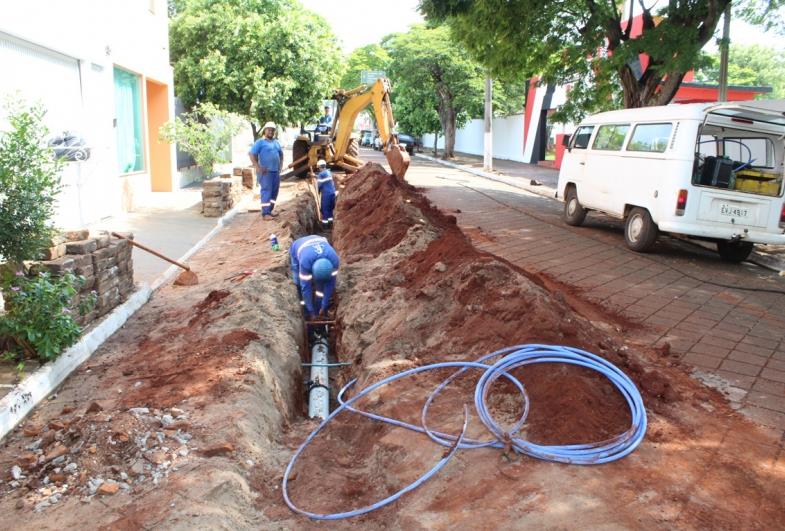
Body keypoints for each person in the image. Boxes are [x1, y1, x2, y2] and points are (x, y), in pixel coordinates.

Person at [289, 235, 340, 320]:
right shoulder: (305, 263)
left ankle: (318, 306)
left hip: (318, 240)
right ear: (311, 271)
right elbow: (306, 288)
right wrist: (311, 312)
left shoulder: (335, 260)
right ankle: (304, 309)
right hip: (298, 246)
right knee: (298, 282)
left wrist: (323, 306)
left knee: (321, 287)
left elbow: (330, 285)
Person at [249, 122, 284, 220]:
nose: (271, 131)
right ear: (265, 130)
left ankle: (270, 210)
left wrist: (280, 166)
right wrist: (257, 166)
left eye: (272, 130)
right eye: (269, 129)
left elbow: (281, 155)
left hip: (275, 172)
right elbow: (252, 154)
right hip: (265, 172)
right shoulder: (260, 142)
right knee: (266, 192)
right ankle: (265, 213)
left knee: (274, 192)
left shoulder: (276, 142)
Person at [316, 159, 336, 224]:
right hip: (332, 193)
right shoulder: (328, 172)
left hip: (326, 194)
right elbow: (325, 180)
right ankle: (330, 223)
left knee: (324, 209)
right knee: (330, 208)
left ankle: (325, 225)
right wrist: (316, 176)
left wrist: (318, 191)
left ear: (319, 167)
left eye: (318, 167)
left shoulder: (321, 175)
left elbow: (319, 185)